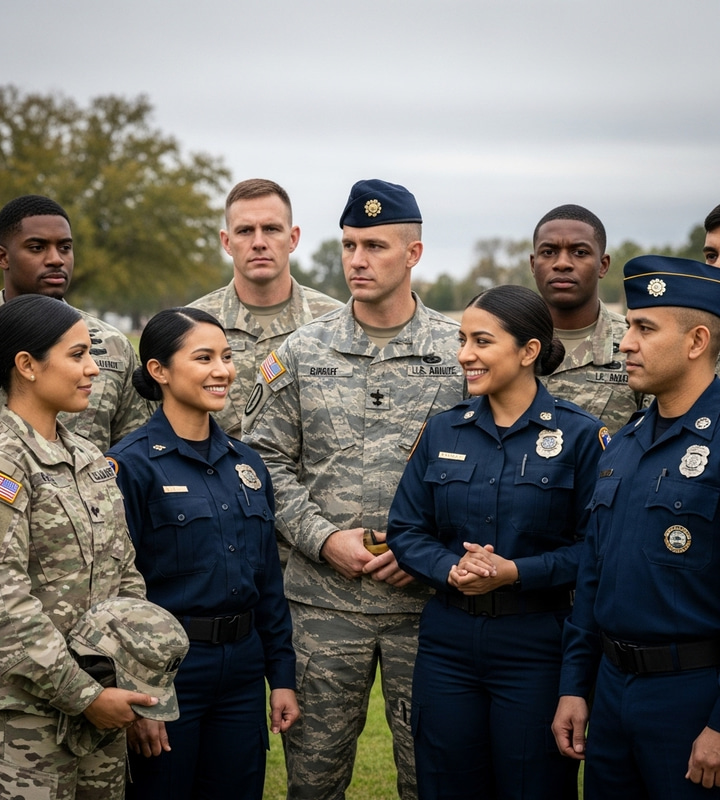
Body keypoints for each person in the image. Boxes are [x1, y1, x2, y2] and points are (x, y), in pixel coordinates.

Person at [243, 179, 464, 800]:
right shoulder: (302, 350)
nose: (358, 261)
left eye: (375, 246)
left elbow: (485, 472)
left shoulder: (458, 354)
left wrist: (425, 550)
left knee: (433, 779)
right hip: (322, 608)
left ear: (413, 254)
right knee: (313, 784)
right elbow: (263, 463)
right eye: (348, 245)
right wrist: (323, 539)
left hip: (426, 609)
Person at [387, 284, 606, 800]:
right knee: (446, 784)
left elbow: (595, 551)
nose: (465, 354)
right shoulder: (444, 430)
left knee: (533, 785)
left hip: (535, 643)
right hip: (448, 644)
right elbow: (406, 528)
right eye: (463, 340)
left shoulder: (580, 437)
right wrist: (448, 569)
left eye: (481, 341)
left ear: (529, 350)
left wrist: (517, 572)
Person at [0, 294, 158, 800]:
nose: (92, 370)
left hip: (99, 720)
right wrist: (85, 695)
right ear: (27, 365)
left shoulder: (88, 457)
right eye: (77, 355)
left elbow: (123, 575)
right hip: (20, 730)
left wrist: (120, 679)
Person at [106, 307, 298, 800]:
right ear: (159, 370)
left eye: (228, 357)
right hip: (169, 673)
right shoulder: (131, 465)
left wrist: (280, 676)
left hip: (241, 669)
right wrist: (141, 694)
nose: (223, 370)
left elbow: (268, 580)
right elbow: (115, 593)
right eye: (204, 357)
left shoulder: (247, 463)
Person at [552, 255, 720, 798]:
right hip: (612, 687)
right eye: (627, 326)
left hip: (693, 696)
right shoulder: (623, 443)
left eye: (644, 328)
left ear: (696, 341)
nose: (625, 342)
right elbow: (592, 576)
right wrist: (576, 686)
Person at [0, 194, 151, 451]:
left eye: (65, 247)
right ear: (3, 257)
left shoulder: (113, 346)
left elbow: (136, 452)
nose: (56, 259)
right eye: (37, 247)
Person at [189, 178, 342, 439]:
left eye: (271, 229)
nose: (259, 242)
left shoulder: (337, 323)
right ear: (226, 242)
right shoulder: (190, 326)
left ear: (292, 238)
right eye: (245, 231)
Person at [530, 204, 645, 433]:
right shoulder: (504, 340)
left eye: (580, 252)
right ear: (533, 264)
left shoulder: (638, 343)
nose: (562, 263)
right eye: (548, 252)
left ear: (603, 265)